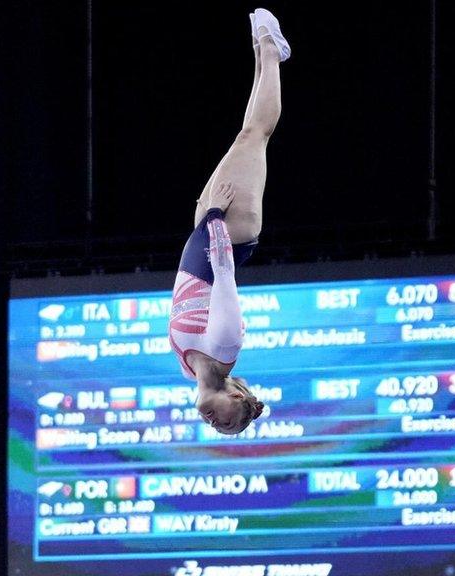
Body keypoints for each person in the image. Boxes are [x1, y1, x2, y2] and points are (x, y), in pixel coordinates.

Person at [168, 8, 289, 435]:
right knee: (254, 136)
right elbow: (222, 272)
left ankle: (264, 51)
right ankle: (271, 52)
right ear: (236, 396)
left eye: (218, 428)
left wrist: (207, 218)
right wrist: (216, 215)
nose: (214, 421)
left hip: (210, 225)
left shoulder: (190, 369)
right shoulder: (223, 347)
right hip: (230, 231)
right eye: (226, 418)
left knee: (247, 133)